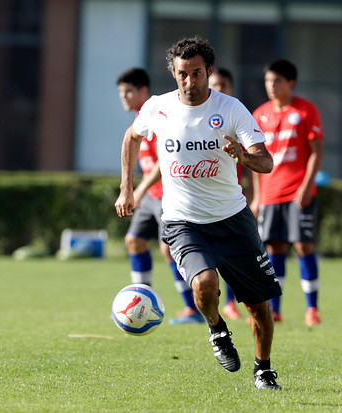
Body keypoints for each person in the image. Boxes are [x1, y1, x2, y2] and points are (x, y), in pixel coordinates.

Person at [115, 36, 282, 390]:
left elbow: (266, 162)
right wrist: (126, 188)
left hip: (233, 219)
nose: (190, 82)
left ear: (208, 71)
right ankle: (217, 329)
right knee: (204, 283)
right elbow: (131, 137)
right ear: (173, 74)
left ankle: (263, 368)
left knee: (259, 307)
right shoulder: (158, 108)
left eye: (197, 74)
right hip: (183, 220)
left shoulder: (232, 109)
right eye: (182, 75)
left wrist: (242, 154)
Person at [115, 67, 203, 325]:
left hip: (167, 195)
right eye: (121, 92)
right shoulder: (138, 118)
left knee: (169, 250)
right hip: (150, 196)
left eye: (129, 91)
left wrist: (137, 190)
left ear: (144, 91)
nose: (124, 96)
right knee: (134, 241)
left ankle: (193, 309)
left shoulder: (158, 116)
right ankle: (140, 301)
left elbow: (164, 162)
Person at [250, 59, 324, 326]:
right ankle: (276, 310)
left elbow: (317, 152)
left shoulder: (306, 111)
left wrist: (306, 185)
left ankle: (312, 308)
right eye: (268, 81)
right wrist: (257, 197)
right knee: (274, 248)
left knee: (303, 246)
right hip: (270, 194)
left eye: (277, 81)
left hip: (298, 192)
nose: (271, 86)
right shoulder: (259, 114)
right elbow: (255, 161)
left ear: (290, 83)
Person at [208, 67, 242, 321]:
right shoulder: (197, 119)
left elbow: (254, 166)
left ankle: (231, 302)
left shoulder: (236, 117)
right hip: (205, 202)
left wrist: (257, 197)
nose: (218, 90)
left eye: (223, 86)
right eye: (214, 85)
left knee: (232, 256)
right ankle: (219, 303)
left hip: (235, 201)